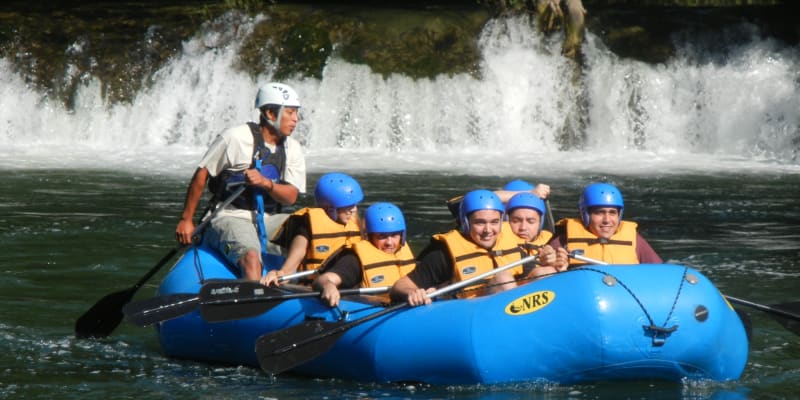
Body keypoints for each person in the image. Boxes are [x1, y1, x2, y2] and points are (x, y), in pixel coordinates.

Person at [175, 82, 306, 281]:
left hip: (269, 219)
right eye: (290, 113)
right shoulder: (235, 138)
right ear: (270, 114)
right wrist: (186, 220)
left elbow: (291, 197)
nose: (296, 119)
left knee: (309, 226)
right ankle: (252, 303)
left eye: (296, 113)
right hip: (230, 215)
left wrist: (266, 183)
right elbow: (202, 174)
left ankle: (291, 279)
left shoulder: (293, 148)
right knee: (252, 258)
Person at [390, 189, 534, 306]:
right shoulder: (444, 252)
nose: (488, 230)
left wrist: (551, 259)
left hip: (509, 310)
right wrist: (413, 293)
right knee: (503, 279)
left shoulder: (508, 242)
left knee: (545, 271)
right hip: (467, 316)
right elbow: (400, 286)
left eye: (494, 222)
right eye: (480, 223)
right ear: (465, 223)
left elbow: (536, 273)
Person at [263, 172, 363, 285]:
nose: (353, 210)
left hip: (348, 286)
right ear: (330, 208)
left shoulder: (356, 224)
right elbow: (293, 261)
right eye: (347, 206)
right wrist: (280, 274)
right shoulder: (308, 226)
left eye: (354, 205)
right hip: (315, 287)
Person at [313, 202, 416, 307]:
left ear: (402, 235)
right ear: (370, 236)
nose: (389, 242)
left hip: (406, 307)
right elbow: (323, 279)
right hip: (375, 310)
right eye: (382, 236)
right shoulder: (355, 259)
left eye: (394, 235)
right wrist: (328, 286)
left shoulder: (404, 252)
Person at [548, 182, 663, 265]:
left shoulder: (634, 240)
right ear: (586, 215)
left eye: (612, 213)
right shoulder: (563, 239)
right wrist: (554, 265)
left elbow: (659, 273)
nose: (607, 220)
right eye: (599, 213)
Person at [504, 192, 569, 278]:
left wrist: (556, 265)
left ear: (540, 223)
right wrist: (532, 192)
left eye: (531, 222)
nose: (523, 227)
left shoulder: (551, 243)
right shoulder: (494, 239)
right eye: (516, 221)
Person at [445, 179, 551, 224]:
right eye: (516, 219)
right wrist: (529, 193)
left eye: (531, 221)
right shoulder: (490, 234)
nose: (523, 227)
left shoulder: (549, 243)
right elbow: (480, 199)